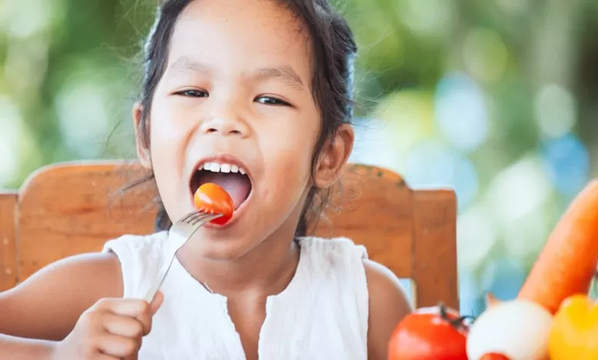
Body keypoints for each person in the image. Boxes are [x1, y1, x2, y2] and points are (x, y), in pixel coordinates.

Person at [0, 0, 412, 358]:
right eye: (193, 92)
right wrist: (52, 356)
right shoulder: (106, 286)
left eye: (269, 99)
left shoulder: (367, 301)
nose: (224, 120)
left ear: (327, 155)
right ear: (145, 134)